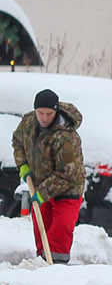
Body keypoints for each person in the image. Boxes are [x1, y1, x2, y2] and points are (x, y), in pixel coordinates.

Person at [11, 89, 84, 264]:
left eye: (49, 113)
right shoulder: (28, 123)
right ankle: (42, 268)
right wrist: (23, 165)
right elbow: (17, 141)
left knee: (58, 237)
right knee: (40, 234)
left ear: (56, 111)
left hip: (68, 191)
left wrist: (42, 192)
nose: (44, 118)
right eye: (40, 113)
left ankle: (56, 270)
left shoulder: (65, 136)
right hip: (40, 185)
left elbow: (68, 174)